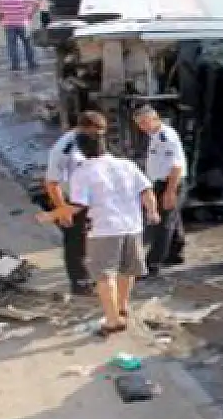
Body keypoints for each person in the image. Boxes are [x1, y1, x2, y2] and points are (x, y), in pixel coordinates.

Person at [36, 132, 159, 337]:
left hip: (104, 229)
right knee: (127, 270)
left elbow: (77, 205)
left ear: (82, 151)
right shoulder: (127, 165)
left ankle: (112, 321)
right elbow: (146, 191)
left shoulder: (83, 172)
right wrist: (153, 212)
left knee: (104, 276)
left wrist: (51, 215)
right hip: (132, 226)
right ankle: (122, 307)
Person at [43, 111, 108, 295]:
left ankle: (94, 277)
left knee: (94, 240)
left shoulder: (93, 141)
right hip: (73, 201)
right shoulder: (63, 149)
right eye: (96, 133)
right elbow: (51, 182)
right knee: (75, 244)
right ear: (84, 128)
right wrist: (62, 210)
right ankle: (80, 284)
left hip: (92, 200)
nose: (100, 137)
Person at [134, 106, 188, 276]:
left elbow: (176, 166)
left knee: (163, 224)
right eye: (139, 124)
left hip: (170, 183)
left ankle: (152, 264)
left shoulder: (166, 137)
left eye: (144, 122)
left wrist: (170, 191)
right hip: (161, 183)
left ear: (155, 118)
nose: (142, 127)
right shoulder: (155, 135)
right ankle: (176, 253)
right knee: (173, 218)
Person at [0, 0, 40, 72]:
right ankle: (31, 63)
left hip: (8, 25)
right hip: (23, 24)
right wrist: (31, 14)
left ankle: (15, 65)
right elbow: (37, 3)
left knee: (12, 45)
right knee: (28, 44)